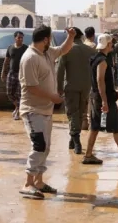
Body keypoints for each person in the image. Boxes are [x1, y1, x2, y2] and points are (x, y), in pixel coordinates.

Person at [18, 26, 76, 199]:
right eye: (49, 38)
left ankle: (39, 181)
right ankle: (28, 183)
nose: (50, 41)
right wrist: (53, 96)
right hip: (32, 110)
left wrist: (70, 37)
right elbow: (31, 88)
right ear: (45, 39)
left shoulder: (46, 52)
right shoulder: (29, 58)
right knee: (38, 146)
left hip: (45, 110)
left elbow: (63, 50)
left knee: (46, 147)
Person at [82, 34, 118, 166]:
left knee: (95, 127)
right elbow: (100, 80)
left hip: (96, 96)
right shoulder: (102, 61)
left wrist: (114, 92)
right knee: (116, 127)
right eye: (111, 43)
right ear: (108, 45)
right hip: (104, 99)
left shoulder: (95, 58)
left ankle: (88, 155)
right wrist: (104, 101)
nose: (113, 45)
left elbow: (101, 82)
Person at [56, 28, 95, 155]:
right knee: (80, 113)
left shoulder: (66, 50)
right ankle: (72, 140)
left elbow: (60, 70)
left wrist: (59, 87)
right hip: (86, 87)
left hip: (71, 86)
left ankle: (76, 141)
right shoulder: (90, 50)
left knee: (72, 113)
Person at [2, 31, 29, 120]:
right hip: (11, 73)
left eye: (22, 38)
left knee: (19, 94)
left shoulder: (26, 48)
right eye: (19, 37)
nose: (20, 39)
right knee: (9, 93)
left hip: (22, 74)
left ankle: (17, 111)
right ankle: (18, 107)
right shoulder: (10, 48)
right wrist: (3, 72)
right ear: (15, 38)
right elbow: (6, 61)